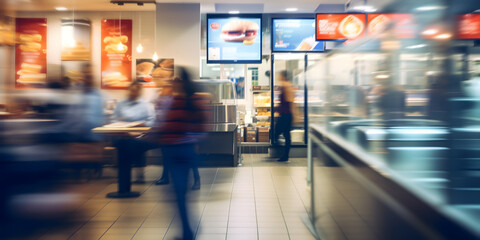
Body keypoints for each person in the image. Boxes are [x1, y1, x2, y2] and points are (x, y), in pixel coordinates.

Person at [116, 67, 208, 240]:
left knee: (178, 192)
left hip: (173, 150)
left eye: (174, 81)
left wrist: (143, 136)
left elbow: (161, 127)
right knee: (181, 191)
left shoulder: (169, 102)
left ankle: (188, 230)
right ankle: (189, 228)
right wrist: (194, 139)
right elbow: (202, 128)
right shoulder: (194, 100)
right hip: (186, 150)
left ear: (178, 83)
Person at [113, 81, 155, 183]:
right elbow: (113, 119)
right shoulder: (120, 104)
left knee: (134, 144)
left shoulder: (145, 105)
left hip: (140, 135)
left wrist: (143, 124)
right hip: (123, 135)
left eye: (136, 91)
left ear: (140, 92)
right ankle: (125, 176)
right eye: (131, 91)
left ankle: (129, 175)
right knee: (125, 143)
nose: (133, 93)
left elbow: (152, 120)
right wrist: (121, 127)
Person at [274, 70, 296, 162]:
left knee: (279, 133)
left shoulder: (287, 86)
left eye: (280, 75)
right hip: (284, 114)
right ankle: (284, 155)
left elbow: (291, 102)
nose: (279, 77)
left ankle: (285, 155)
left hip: (286, 115)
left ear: (283, 76)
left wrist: (295, 115)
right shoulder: (284, 86)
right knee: (283, 134)